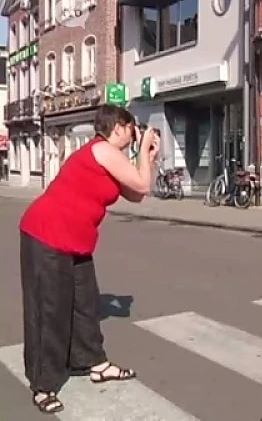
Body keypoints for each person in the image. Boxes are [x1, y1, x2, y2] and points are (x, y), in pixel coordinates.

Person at [17, 104, 161, 414]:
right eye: (132, 128)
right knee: (49, 310)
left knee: (85, 305)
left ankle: (93, 362)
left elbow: (137, 193)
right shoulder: (102, 149)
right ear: (119, 128)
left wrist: (148, 157)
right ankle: (43, 385)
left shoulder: (113, 159)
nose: (134, 134)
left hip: (75, 241)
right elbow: (142, 184)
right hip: (46, 234)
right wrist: (145, 146)